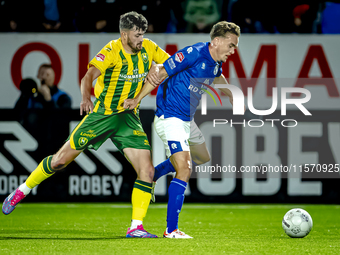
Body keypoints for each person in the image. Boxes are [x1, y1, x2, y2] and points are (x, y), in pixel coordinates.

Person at [3, 11, 170, 238]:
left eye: (143, 34)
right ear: (124, 34)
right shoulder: (111, 51)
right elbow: (88, 77)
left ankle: (135, 227)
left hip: (128, 117)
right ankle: (21, 191)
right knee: (60, 161)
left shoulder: (149, 48)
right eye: (137, 34)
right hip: (102, 115)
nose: (141, 38)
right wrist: (85, 97)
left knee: (147, 171)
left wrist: (158, 68)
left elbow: (171, 63)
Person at [124, 21, 241, 238]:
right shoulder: (193, 53)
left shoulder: (215, 63)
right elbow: (159, 73)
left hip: (186, 121)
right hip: (170, 118)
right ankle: (172, 229)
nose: (233, 50)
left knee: (202, 156)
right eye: (231, 45)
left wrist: (235, 97)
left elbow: (218, 77)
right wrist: (137, 99)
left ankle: (155, 174)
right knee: (185, 168)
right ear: (216, 41)